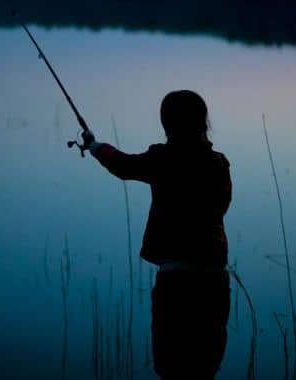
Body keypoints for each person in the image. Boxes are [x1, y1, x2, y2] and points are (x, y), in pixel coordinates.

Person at [82, 90, 231, 379]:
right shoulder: (218, 164)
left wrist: (95, 146)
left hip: (174, 283)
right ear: (203, 122)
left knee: (170, 366)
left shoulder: (161, 159)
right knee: (205, 367)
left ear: (167, 124)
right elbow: (220, 209)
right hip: (213, 281)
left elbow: (122, 165)